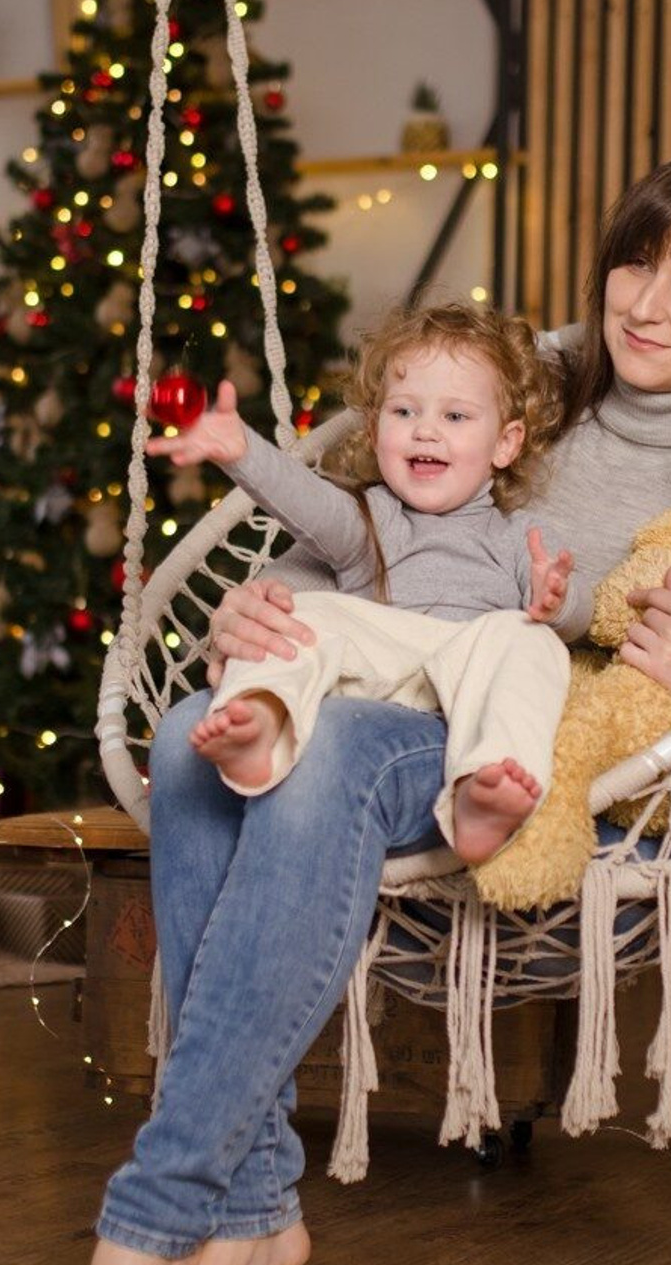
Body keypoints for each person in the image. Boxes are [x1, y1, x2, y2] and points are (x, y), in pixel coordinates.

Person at [89, 151, 671, 1265]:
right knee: (192, 737)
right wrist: (248, 620)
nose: (642, 302)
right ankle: (254, 1206)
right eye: (634, 263)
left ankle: (157, 1205)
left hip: (511, 740)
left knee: (325, 750)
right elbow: (350, 535)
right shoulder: (504, 382)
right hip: (366, 671)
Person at [148, 305, 591, 865]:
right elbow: (306, 502)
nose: (426, 429)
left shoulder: (516, 535)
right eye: (404, 411)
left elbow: (578, 617)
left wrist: (557, 599)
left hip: (460, 687)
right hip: (366, 677)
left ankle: (482, 790)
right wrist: (244, 452)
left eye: (456, 417)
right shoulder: (369, 517)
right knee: (298, 613)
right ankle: (261, 719)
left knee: (532, 642)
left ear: (505, 444)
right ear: (376, 427)